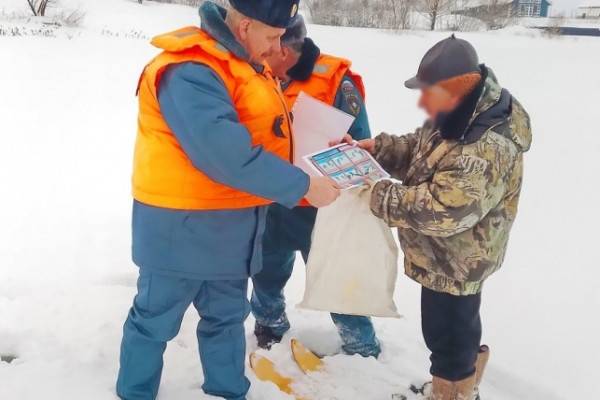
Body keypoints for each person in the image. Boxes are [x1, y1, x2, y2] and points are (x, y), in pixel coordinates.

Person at [116, 1, 342, 399]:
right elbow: (225, 155)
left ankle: (228, 391)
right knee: (154, 321)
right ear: (244, 28)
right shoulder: (191, 70)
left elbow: (265, 132)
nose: (277, 48)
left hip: (234, 228)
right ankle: (135, 392)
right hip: (178, 230)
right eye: (272, 37)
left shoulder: (245, 64)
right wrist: (302, 186)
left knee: (226, 320)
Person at [345, 35, 532, 399]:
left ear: (455, 87)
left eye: (428, 90)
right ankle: (457, 385)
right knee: (451, 331)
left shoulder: (486, 145)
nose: (422, 101)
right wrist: (380, 150)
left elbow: (443, 210)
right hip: (446, 255)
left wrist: (376, 193)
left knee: (448, 334)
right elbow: (421, 148)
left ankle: (452, 392)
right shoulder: (459, 112)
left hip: (459, 258)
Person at [250, 15, 381, 358]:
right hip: (273, 198)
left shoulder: (337, 82)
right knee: (265, 271)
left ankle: (361, 345)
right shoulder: (257, 72)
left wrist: (346, 149)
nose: (266, 57)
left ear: (290, 48)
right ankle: (268, 324)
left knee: (335, 279)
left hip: (321, 207)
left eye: (274, 50)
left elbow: (362, 145)